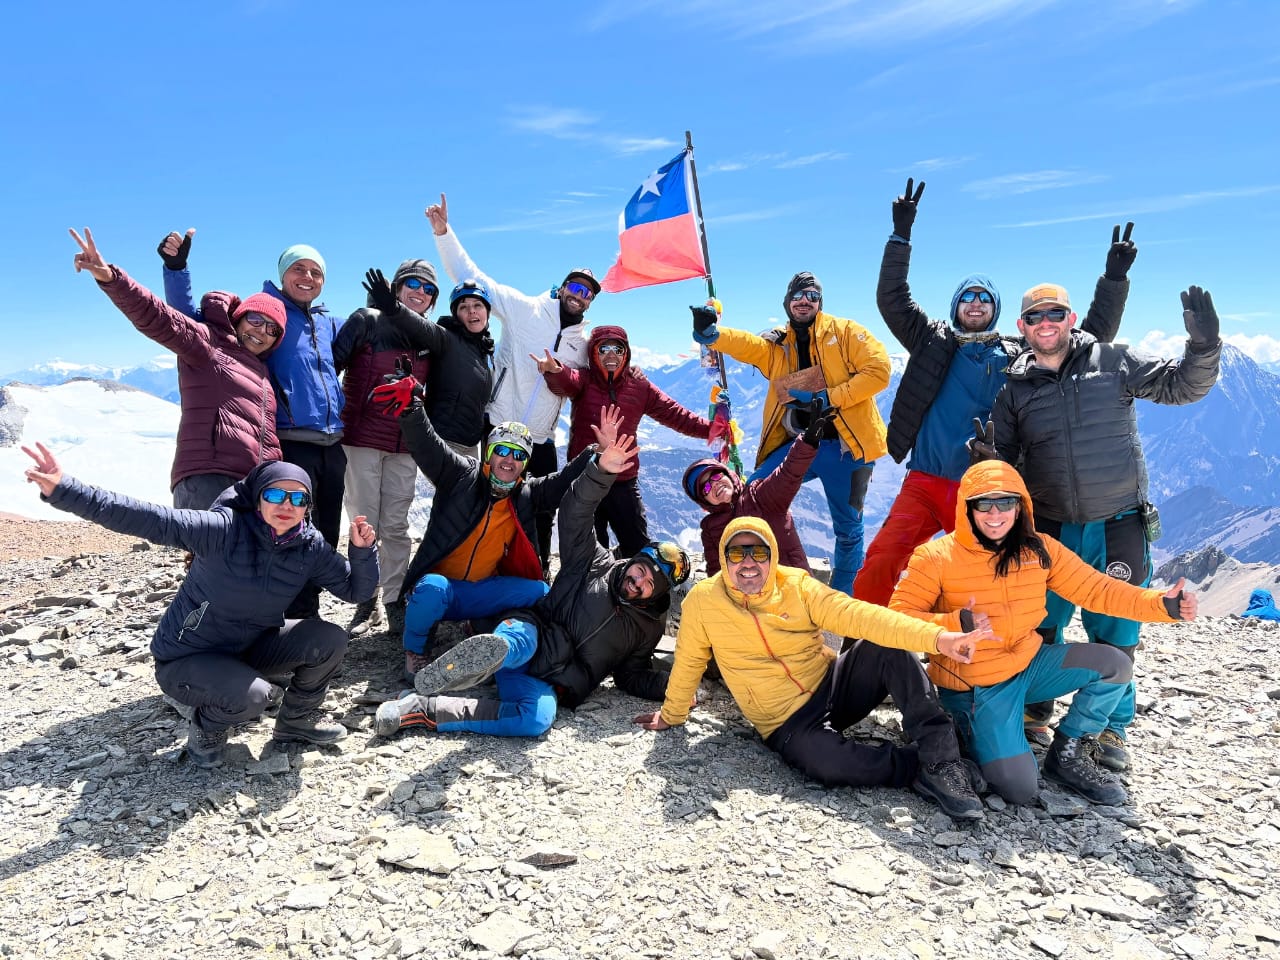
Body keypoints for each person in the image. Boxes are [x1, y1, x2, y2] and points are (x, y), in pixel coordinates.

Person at [851, 180, 1133, 608]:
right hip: (925, 480)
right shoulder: (930, 341)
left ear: (996, 309)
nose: (976, 303)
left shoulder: (1020, 355)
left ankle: (971, 643)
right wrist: (900, 235)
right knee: (883, 557)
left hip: (987, 490)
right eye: (968, 297)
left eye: (985, 298)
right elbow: (892, 299)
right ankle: (863, 636)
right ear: (956, 307)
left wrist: (1113, 280)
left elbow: (1085, 342)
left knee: (986, 580)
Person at [22, 443, 378, 768]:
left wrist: (362, 552)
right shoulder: (222, 529)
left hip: (252, 645)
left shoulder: (309, 546)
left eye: (298, 499)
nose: (286, 506)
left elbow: (356, 591)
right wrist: (65, 490)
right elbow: (143, 516)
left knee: (329, 639)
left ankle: (296, 721)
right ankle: (207, 727)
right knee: (256, 696)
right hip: (188, 657)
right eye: (275, 494)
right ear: (257, 498)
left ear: (307, 507)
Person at [990, 283, 1221, 772]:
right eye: (1035, 317)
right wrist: (987, 464)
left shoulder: (1113, 361)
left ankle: (1109, 726)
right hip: (1048, 524)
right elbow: (1003, 462)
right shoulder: (1014, 389)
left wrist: (1203, 347)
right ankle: (1036, 707)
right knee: (1038, 618)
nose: (1046, 324)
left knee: (1116, 624)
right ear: (1022, 327)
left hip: (1117, 522)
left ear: (1071, 318)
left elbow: (1183, 387)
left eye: (1055, 314)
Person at [634, 517, 991, 821]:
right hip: (786, 721)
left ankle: (943, 760)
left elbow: (861, 616)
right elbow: (689, 660)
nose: (748, 563)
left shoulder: (797, 586)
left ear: (773, 556)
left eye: (759, 553)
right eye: (737, 553)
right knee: (828, 765)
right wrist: (672, 714)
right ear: (724, 559)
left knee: (885, 645)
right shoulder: (703, 602)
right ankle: (917, 766)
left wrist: (938, 638)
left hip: (833, 683)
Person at [889, 460, 1197, 805]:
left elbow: (1098, 590)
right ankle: (960, 730)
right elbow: (897, 619)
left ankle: (1067, 753)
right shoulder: (935, 558)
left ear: (1020, 506)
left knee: (1115, 665)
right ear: (967, 508)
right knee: (1019, 789)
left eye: (1006, 502)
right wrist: (955, 624)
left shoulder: (1039, 549)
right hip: (976, 686)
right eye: (984, 504)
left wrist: (1163, 605)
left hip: (1028, 666)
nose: (995, 514)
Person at [374, 429, 688, 738]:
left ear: (658, 593)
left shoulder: (648, 627)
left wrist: (675, 687)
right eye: (640, 569)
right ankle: (490, 654)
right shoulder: (594, 562)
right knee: (516, 643)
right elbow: (575, 512)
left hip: (552, 678)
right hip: (534, 630)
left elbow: (630, 675)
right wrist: (601, 471)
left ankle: (420, 709)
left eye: (649, 583)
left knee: (534, 720)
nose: (638, 580)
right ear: (633, 560)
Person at [160, 230, 347, 619]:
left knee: (323, 534)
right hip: (289, 442)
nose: (307, 277)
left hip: (332, 444)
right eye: (299, 269)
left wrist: (391, 312)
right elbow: (188, 322)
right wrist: (177, 270)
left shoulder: (327, 322)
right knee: (289, 532)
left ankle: (304, 615)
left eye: (316, 272)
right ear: (282, 273)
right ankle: (285, 615)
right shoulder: (264, 315)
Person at [371, 377, 600, 678]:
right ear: (489, 452)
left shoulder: (525, 495)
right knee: (430, 589)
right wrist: (412, 410)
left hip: (481, 592)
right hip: (443, 590)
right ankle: (416, 651)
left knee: (539, 591)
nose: (509, 460)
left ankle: (482, 627)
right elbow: (429, 446)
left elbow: (562, 482)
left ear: (525, 464)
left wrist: (595, 453)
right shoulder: (460, 476)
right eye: (503, 450)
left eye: (519, 455)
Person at [692, 273, 889, 593]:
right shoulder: (779, 345)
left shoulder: (846, 332)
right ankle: (762, 580)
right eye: (798, 295)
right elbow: (748, 346)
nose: (804, 301)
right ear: (787, 302)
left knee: (849, 529)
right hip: (801, 446)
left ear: (820, 302)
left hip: (849, 449)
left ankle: (841, 603)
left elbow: (879, 371)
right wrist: (713, 335)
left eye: (812, 295)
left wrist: (831, 397)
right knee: (751, 496)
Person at [426, 193, 593, 568]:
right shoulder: (524, 309)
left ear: (589, 302)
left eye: (587, 293)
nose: (579, 295)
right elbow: (471, 276)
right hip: (499, 423)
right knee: (487, 502)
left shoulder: (582, 344)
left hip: (540, 437)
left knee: (541, 509)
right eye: (575, 287)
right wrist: (443, 233)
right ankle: (479, 567)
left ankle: (538, 572)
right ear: (562, 287)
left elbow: (587, 381)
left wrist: (562, 374)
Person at [69, 228, 284, 509]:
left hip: (251, 486)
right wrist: (111, 277)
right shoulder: (210, 345)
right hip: (209, 478)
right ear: (239, 319)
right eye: (255, 320)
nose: (262, 331)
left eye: (272, 329)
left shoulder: (263, 374)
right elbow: (157, 316)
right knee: (206, 540)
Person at [328, 261, 442, 637]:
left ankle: (394, 600)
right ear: (396, 287)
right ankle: (366, 600)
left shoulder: (428, 336)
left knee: (396, 525)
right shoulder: (367, 320)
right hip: (361, 437)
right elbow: (329, 368)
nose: (420, 292)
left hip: (406, 443)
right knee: (366, 523)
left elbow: (433, 390)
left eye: (429, 289)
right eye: (413, 283)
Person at [537, 324, 715, 556]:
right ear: (593, 353)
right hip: (585, 477)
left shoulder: (640, 386)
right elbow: (567, 380)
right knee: (588, 551)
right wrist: (554, 371)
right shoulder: (585, 380)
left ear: (626, 353)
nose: (611, 355)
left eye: (618, 349)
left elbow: (675, 414)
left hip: (623, 480)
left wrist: (712, 430)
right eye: (604, 349)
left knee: (637, 547)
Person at [681, 402, 829, 576]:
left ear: (727, 475)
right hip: (749, 593)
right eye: (705, 487)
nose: (715, 484)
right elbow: (717, 573)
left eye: (716, 476)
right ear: (704, 501)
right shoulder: (710, 530)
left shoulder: (758, 496)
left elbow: (788, 474)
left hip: (794, 587)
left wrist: (807, 442)